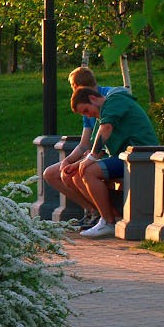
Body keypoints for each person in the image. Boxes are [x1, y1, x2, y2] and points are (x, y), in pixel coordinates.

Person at [67, 86, 160, 239]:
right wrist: (77, 164)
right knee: (78, 174)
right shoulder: (103, 113)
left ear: (93, 98)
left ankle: (108, 223)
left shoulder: (115, 101)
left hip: (140, 156)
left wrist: (91, 158)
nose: (88, 116)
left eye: (86, 110)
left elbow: (106, 129)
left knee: (89, 172)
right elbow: (101, 147)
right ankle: (112, 217)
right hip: (125, 157)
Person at [45, 67, 130, 222]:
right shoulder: (86, 106)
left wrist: (87, 157)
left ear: (77, 87)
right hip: (94, 153)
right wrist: (68, 160)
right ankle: (94, 211)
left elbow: (106, 135)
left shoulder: (106, 99)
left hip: (108, 154)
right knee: (51, 174)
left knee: (82, 171)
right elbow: (84, 144)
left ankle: (108, 218)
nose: (88, 115)